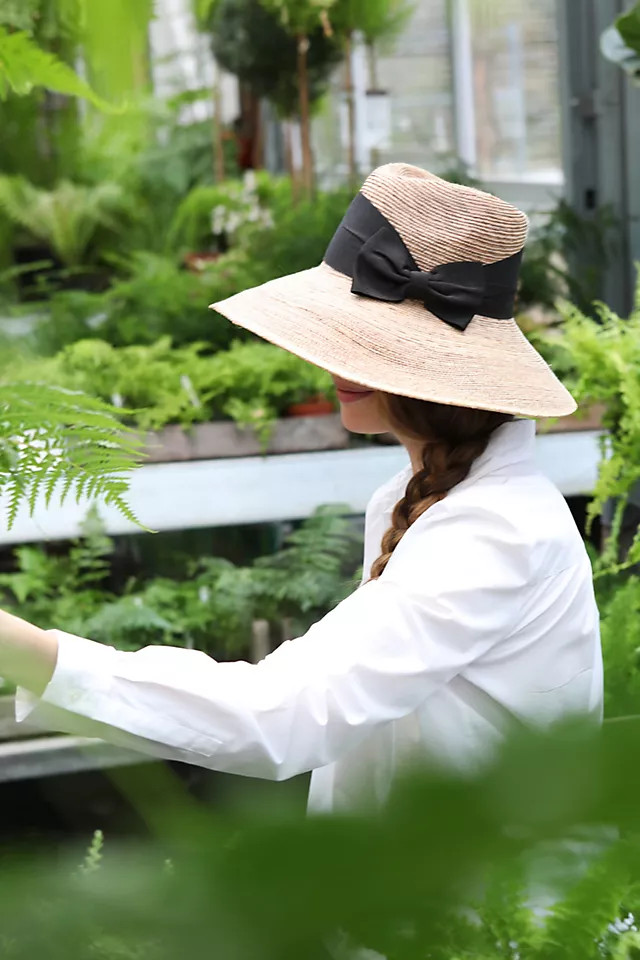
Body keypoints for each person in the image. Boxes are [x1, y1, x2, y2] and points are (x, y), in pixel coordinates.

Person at [0, 164, 602, 812]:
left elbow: (285, 713)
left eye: (371, 342)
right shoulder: (423, 495)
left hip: (484, 909)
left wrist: (24, 651)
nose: (334, 361)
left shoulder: (493, 533)